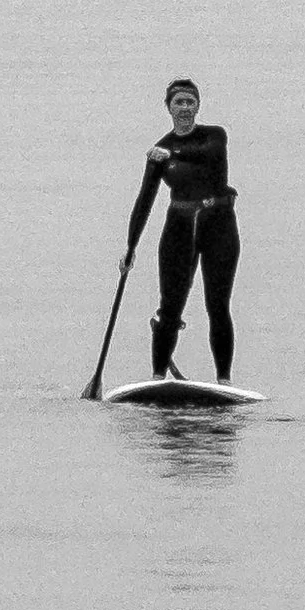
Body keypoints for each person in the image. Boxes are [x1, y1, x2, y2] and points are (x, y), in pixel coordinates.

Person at [124, 77, 239, 383]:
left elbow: (207, 155)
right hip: (179, 227)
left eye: (191, 102)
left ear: (198, 106)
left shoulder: (214, 136)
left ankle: (224, 380)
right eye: (179, 102)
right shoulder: (160, 150)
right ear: (169, 108)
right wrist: (130, 248)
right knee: (170, 307)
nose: (185, 108)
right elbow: (144, 201)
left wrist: (171, 155)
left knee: (217, 304)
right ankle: (157, 377)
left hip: (218, 225)